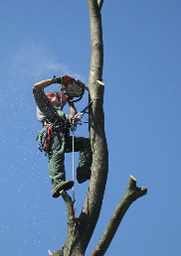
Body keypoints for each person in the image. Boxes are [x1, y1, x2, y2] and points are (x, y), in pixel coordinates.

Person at [33, 76, 92, 198]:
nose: (61, 100)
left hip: (63, 138)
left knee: (87, 143)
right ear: (50, 98)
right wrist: (56, 80)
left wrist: (70, 101)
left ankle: (83, 172)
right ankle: (57, 183)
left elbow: (73, 117)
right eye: (57, 97)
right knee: (57, 155)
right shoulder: (44, 105)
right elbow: (36, 87)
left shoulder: (60, 114)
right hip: (53, 134)